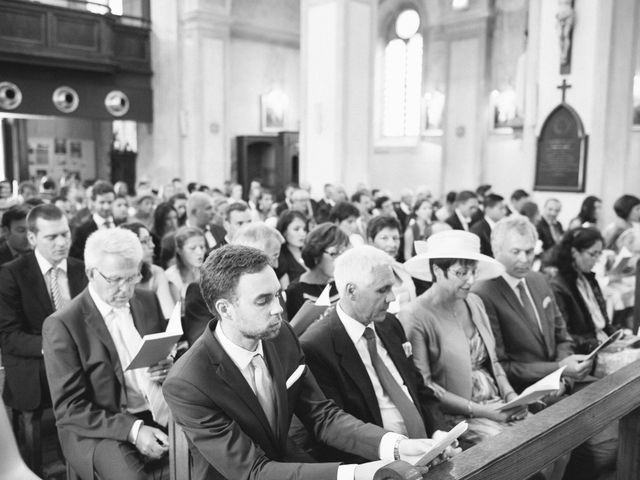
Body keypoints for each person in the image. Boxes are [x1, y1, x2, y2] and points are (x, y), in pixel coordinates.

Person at [163, 244, 445, 480]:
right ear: (226, 309)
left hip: (287, 464)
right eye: (263, 301)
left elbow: (322, 415)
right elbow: (252, 471)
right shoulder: (189, 382)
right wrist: (356, 473)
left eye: (277, 295)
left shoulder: (280, 335)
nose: (278, 309)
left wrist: (395, 446)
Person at [299, 246, 451, 463]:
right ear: (351, 291)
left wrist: (439, 431)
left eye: (392, 287)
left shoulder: (389, 324)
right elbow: (335, 429)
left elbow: (419, 389)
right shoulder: (316, 346)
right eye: (382, 290)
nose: (391, 298)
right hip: (378, 462)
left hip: (427, 448)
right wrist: (397, 452)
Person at [43, 228, 172, 480]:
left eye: (132, 277)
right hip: (99, 426)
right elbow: (70, 408)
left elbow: (159, 356)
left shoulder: (146, 300)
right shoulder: (63, 324)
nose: (125, 289)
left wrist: (168, 367)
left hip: (156, 409)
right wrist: (134, 430)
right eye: (114, 280)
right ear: (91, 273)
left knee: (213, 456)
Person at [401, 230, 530, 447]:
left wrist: (511, 396)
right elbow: (426, 386)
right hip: (459, 416)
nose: (470, 281)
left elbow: (494, 361)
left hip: (495, 403)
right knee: (517, 450)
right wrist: (484, 411)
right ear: (437, 270)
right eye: (461, 273)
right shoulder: (415, 314)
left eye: (473, 272)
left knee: (552, 443)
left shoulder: (475, 302)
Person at [471, 215, 591, 393]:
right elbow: (501, 366)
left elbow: (563, 337)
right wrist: (559, 369)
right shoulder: (483, 292)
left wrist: (563, 376)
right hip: (524, 391)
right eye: (516, 252)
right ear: (496, 250)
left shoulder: (539, 280)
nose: (525, 259)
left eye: (529, 251)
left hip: (562, 381)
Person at [0, 204, 87, 418]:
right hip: (37, 362)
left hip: (85, 358)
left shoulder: (83, 269)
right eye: (51, 237)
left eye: (65, 234)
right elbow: (10, 337)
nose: (62, 243)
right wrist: (58, 347)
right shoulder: (11, 274)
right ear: (32, 238)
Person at [182, 223, 285, 346]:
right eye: (262, 300)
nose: (275, 265)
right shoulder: (198, 290)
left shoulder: (270, 282)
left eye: (277, 295)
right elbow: (201, 345)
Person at [549, 228, 614, 354]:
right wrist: (598, 344)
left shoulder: (588, 277)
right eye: (592, 254)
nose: (596, 260)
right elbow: (564, 335)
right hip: (587, 352)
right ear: (574, 252)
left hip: (601, 342)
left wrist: (618, 336)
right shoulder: (559, 286)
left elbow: (603, 322)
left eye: (599, 254)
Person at [285, 223, 349, 319]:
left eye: (343, 253)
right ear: (316, 254)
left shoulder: (342, 282)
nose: (340, 259)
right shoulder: (296, 291)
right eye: (334, 253)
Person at [120, 223, 175, 319]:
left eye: (151, 240)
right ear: (129, 246)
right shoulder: (117, 277)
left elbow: (168, 315)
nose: (152, 245)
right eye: (145, 241)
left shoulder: (156, 272)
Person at [367, 216, 416, 313]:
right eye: (384, 238)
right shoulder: (367, 274)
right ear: (371, 241)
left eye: (395, 238)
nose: (392, 244)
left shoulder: (401, 268)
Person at [70, 180, 116, 260]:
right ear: (94, 202)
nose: (106, 207)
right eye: (102, 202)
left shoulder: (120, 225)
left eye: (110, 202)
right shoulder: (82, 230)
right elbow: (76, 259)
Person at [165, 226, 206, 304]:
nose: (199, 252)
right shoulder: (171, 277)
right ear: (179, 250)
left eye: (202, 247)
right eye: (193, 248)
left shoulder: (209, 272)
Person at [274, 210, 308, 288]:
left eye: (304, 229)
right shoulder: (280, 259)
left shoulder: (309, 251)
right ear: (284, 232)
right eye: (296, 229)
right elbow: (286, 292)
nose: (302, 233)